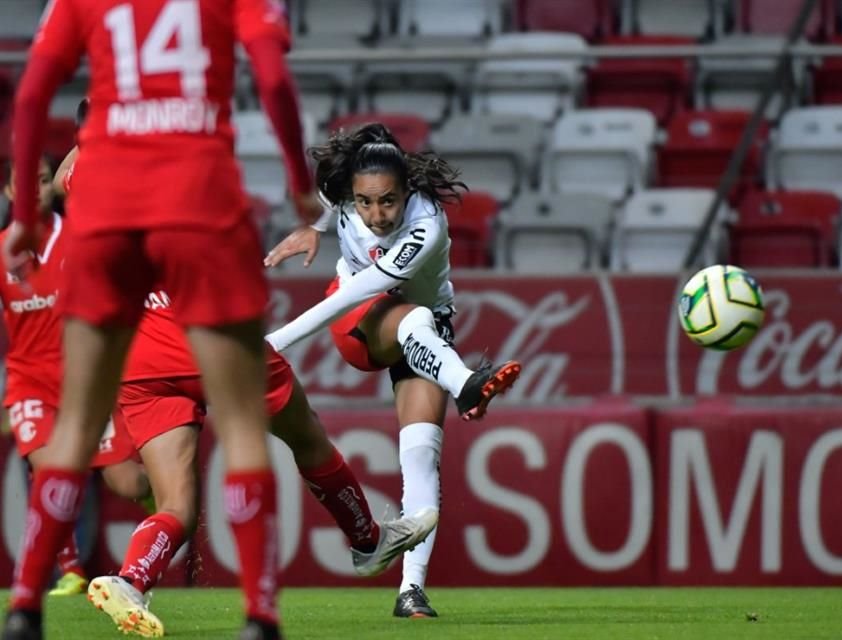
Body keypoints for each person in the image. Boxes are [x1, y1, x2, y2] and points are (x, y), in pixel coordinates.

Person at [3, 1, 322, 638]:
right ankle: (260, 616)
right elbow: (274, 77)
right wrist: (297, 183)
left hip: (108, 210)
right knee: (241, 427)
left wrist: (27, 218)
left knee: (73, 430)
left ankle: (24, 607)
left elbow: (34, 89)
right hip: (198, 202)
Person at [264, 123, 522, 618]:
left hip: (421, 336)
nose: (376, 214)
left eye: (387, 201)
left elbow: (375, 281)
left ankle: (410, 591)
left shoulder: (428, 224)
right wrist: (315, 229)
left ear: (408, 192)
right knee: (415, 317)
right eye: (364, 203)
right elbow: (356, 287)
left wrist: (274, 342)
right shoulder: (341, 192)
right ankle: (466, 384)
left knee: (422, 454)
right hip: (356, 323)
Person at [86, 293, 437, 637]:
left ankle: (131, 580)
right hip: (209, 338)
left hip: (140, 357)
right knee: (307, 438)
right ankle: (367, 542)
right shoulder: (207, 235)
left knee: (177, 506)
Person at [0, 155, 150, 598]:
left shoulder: (82, 239)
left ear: (55, 184)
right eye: (24, 184)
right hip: (31, 382)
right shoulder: (2, 250)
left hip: (87, 383)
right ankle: (71, 570)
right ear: (10, 193)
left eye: (43, 180)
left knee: (128, 482)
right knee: (49, 471)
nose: (35, 191)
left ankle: (164, 508)